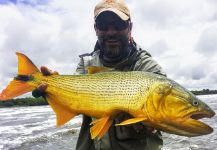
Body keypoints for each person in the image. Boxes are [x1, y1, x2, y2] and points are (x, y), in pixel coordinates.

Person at [33, 0, 166, 149]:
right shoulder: (86, 63)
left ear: (130, 27)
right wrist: (53, 88)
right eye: (104, 25)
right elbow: (74, 99)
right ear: (96, 29)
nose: (111, 32)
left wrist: (151, 124)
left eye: (118, 24)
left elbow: (167, 115)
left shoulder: (148, 68)